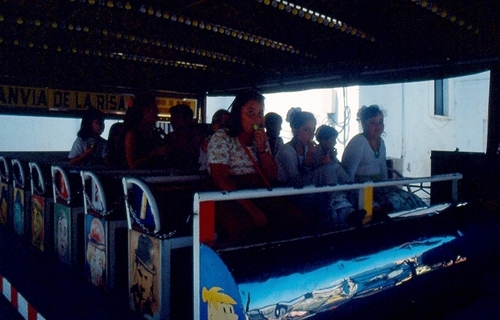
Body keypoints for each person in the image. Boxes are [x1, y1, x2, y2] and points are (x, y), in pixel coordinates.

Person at [207, 90, 309, 242]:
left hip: (259, 190)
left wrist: (262, 150)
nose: (256, 119)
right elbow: (220, 178)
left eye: (260, 113)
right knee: (246, 230)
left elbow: (272, 174)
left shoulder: (260, 138)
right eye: (250, 112)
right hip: (231, 196)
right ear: (237, 113)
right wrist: (252, 209)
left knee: (296, 218)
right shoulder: (222, 138)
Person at [275, 108, 360, 227]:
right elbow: (295, 181)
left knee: (333, 166)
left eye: (313, 130)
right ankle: (342, 209)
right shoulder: (286, 151)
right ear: (294, 130)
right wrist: (312, 164)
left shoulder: (309, 148)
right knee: (328, 169)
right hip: (293, 195)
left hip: (310, 190)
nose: (310, 135)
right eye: (306, 130)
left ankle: (354, 195)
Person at [341, 105, 426, 213]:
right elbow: (348, 174)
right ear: (363, 124)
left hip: (379, 186)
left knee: (411, 200)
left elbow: (383, 171)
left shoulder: (382, 143)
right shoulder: (359, 142)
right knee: (392, 204)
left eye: (380, 122)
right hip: (362, 189)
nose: (378, 126)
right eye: (373, 123)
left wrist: (387, 187)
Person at [122, 93, 168, 170]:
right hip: (136, 180)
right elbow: (132, 165)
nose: (157, 112)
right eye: (154, 108)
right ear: (144, 111)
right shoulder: (132, 134)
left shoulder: (153, 133)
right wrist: (154, 153)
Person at [163, 104, 206, 171]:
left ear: (186, 119)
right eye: (172, 118)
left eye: (176, 117)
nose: (172, 121)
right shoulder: (170, 137)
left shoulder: (199, 137)